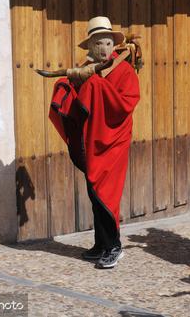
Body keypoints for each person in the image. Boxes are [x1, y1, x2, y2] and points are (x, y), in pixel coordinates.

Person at [48, 16, 140, 268]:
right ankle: (101, 244)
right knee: (93, 190)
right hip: (93, 139)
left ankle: (114, 247)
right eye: (98, 43)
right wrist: (69, 83)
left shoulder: (124, 70)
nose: (103, 48)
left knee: (106, 193)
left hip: (114, 140)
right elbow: (77, 99)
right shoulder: (86, 69)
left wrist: (94, 83)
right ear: (90, 47)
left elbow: (126, 104)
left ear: (114, 45)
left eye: (108, 42)